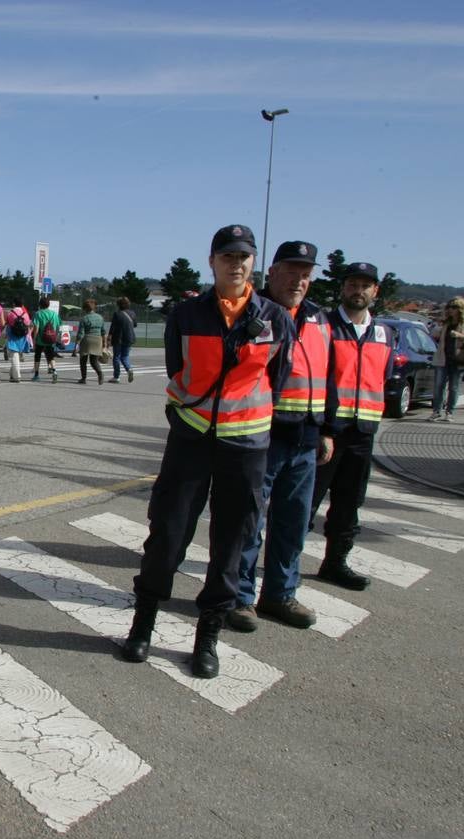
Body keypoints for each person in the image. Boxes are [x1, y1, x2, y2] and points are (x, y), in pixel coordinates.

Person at [122, 225, 292, 678]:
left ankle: (207, 637)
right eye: (227, 256)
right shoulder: (187, 314)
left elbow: (280, 377)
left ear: (253, 263)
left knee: (230, 546)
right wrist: (183, 419)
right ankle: (142, 627)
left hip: (246, 446)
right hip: (191, 441)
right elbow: (178, 371)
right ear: (212, 261)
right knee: (167, 536)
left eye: (244, 257)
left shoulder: (275, 317)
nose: (236, 264)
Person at [232, 241, 331, 632]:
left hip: (306, 437)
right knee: (249, 521)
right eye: (291, 271)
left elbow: (329, 376)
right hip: (263, 434)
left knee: (293, 523)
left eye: (305, 274)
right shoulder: (256, 314)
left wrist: (326, 430)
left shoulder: (319, 319)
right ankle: (239, 598)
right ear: (271, 272)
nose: (298, 280)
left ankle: (280, 594)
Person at [310, 261, 395, 591]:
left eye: (365, 286)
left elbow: (381, 379)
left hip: (363, 433)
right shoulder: (324, 327)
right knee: (306, 503)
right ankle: (281, 568)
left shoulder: (385, 333)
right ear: (342, 289)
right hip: (327, 431)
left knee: (349, 504)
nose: (358, 291)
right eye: (352, 285)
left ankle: (335, 563)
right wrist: (323, 428)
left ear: (375, 291)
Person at [429, 297, 464, 422]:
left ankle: (449, 412)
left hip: (459, 360)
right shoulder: (446, 322)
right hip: (442, 359)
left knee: (454, 388)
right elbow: (433, 334)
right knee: (439, 386)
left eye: (454, 307)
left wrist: (460, 336)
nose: (450, 310)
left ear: (460, 309)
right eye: (449, 307)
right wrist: (439, 325)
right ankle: (436, 411)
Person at [74, 298, 106, 384]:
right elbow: (103, 332)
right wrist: (104, 344)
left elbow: (81, 333)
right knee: (94, 361)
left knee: (83, 360)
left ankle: (83, 378)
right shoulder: (100, 317)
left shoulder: (84, 318)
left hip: (87, 340)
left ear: (85, 308)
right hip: (98, 340)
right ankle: (100, 374)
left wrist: (76, 345)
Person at [31, 297, 62, 383]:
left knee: (37, 357)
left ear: (40, 305)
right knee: (51, 356)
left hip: (40, 340)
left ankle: (36, 375)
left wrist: (34, 340)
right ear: (48, 304)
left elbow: (36, 328)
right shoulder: (54, 314)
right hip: (51, 339)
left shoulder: (38, 314)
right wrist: (55, 337)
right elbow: (57, 327)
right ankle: (54, 371)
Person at [108, 296, 137, 383]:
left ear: (119, 305)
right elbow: (135, 325)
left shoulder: (117, 314)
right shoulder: (133, 313)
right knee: (125, 356)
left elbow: (112, 327)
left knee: (116, 357)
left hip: (118, 338)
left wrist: (109, 337)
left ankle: (116, 377)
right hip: (129, 337)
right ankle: (129, 369)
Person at [4, 300, 33, 382]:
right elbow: (28, 325)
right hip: (22, 337)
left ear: (14, 304)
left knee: (14, 356)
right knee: (16, 356)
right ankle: (12, 375)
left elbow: (7, 324)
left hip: (12, 337)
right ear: (22, 305)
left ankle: (17, 376)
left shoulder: (11, 313)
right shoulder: (26, 314)